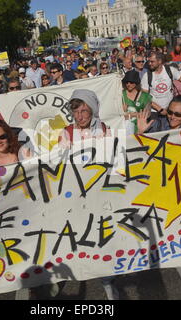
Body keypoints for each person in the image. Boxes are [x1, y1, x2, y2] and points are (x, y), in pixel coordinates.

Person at [57, 89, 118, 299]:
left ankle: (107, 280)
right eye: (77, 111)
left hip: (100, 194)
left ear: (93, 110)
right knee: (77, 238)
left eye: (85, 111)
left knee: (102, 237)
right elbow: (61, 166)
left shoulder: (104, 129)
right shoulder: (66, 132)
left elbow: (113, 160)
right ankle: (73, 274)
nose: (81, 116)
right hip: (76, 196)